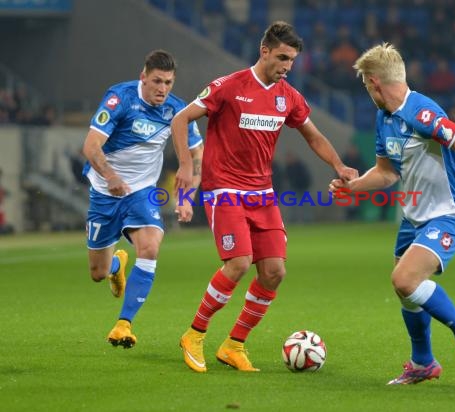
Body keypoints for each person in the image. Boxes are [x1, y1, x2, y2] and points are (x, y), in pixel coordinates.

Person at [171, 21, 358, 373]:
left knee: (273, 272)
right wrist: (185, 166)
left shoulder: (287, 96)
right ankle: (194, 334)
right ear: (265, 51)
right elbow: (181, 119)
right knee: (239, 263)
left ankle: (234, 345)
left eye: (292, 61)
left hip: (262, 194)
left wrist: (339, 165)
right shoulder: (228, 87)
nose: (287, 67)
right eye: (283, 58)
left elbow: (313, 135)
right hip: (224, 189)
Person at [330, 43, 455, 384]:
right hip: (414, 217)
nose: (366, 91)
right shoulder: (384, 117)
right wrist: (352, 187)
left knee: (404, 280)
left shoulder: (423, 113)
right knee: (406, 288)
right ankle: (423, 363)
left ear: (374, 82)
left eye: (365, 85)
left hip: (449, 213)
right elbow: (387, 172)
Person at [82, 50, 204, 348]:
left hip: (142, 192)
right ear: (143, 77)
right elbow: (91, 146)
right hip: (104, 191)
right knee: (97, 273)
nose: (162, 89)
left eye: (168, 82)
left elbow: (198, 158)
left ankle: (124, 324)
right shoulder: (120, 98)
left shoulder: (178, 111)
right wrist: (110, 177)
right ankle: (114, 267)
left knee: (150, 247)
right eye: (157, 81)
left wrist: (187, 198)